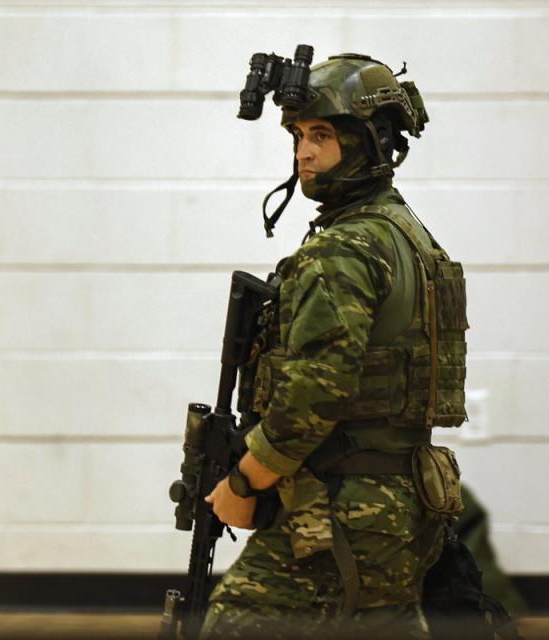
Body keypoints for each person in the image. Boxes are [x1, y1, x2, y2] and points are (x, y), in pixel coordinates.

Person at [200, 52, 468, 639]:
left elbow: (314, 397)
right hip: (406, 502)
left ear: (370, 142)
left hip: (340, 509)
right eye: (298, 135)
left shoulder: (343, 249)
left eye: (321, 134)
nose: (303, 152)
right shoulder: (407, 235)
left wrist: (243, 483)